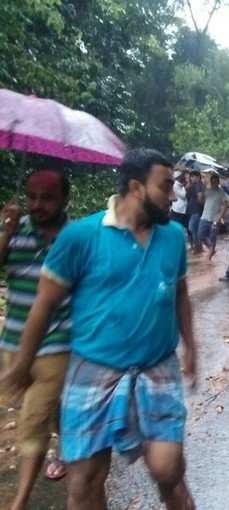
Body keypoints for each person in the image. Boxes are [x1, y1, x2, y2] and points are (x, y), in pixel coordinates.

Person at [0, 149, 197, 510]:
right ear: (137, 187)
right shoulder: (80, 237)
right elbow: (42, 305)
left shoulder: (172, 237)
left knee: (168, 469)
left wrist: (192, 350)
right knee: (84, 483)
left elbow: (181, 294)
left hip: (157, 367)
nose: (173, 195)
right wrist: (22, 361)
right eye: (166, 186)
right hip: (92, 370)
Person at [0, 167, 71, 510]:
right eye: (31, 197)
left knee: (32, 421)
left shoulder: (77, 238)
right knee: (49, 409)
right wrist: (6, 233)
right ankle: (66, 444)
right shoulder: (16, 230)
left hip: (56, 344)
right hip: (13, 342)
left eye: (47, 198)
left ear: (64, 200)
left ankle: (19, 502)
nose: (37, 205)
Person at [197, 173, 228, 260]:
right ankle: (211, 249)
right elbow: (200, 201)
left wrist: (220, 217)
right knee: (200, 235)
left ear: (218, 182)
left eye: (216, 182)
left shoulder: (221, 192)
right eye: (212, 182)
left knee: (213, 237)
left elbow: (226, 205)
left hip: (215, 219)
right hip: (204, 217)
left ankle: (209, 259)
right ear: (210, 182)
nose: (214, 183)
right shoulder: (207, 191)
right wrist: (201, 190)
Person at [185, 170, 204, 254]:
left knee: (192, 228)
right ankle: (199, 247)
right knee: (194, 228)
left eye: (193, 176)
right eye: (191, 176)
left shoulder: (199, 185)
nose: (191, 178)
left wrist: (199, 202)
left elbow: (200, 197)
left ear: (198, 177)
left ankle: (198, 247)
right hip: (193, 210)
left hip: (196, 209)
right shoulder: (194, 185)